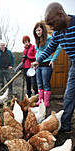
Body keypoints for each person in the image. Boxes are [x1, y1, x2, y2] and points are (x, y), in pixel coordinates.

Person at [31, 2, 75, 133]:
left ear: (60, 14)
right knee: (69, 95)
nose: (50, 27)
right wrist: (38, 60)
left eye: (51, 23)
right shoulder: (57, 33)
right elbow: (50, 48)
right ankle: (65, 125)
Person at [33, 22, 61, 107]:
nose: (38, 32)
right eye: (36, 31)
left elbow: (58, 48)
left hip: (46, 64)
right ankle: (40, 101)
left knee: (46, 83)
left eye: (39, 30)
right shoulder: (37, 40)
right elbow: (38, 51)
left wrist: (53, 60)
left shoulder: (49, 38)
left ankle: (46, 102)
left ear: (43, 30)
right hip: (38, 64)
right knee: (39, 83)